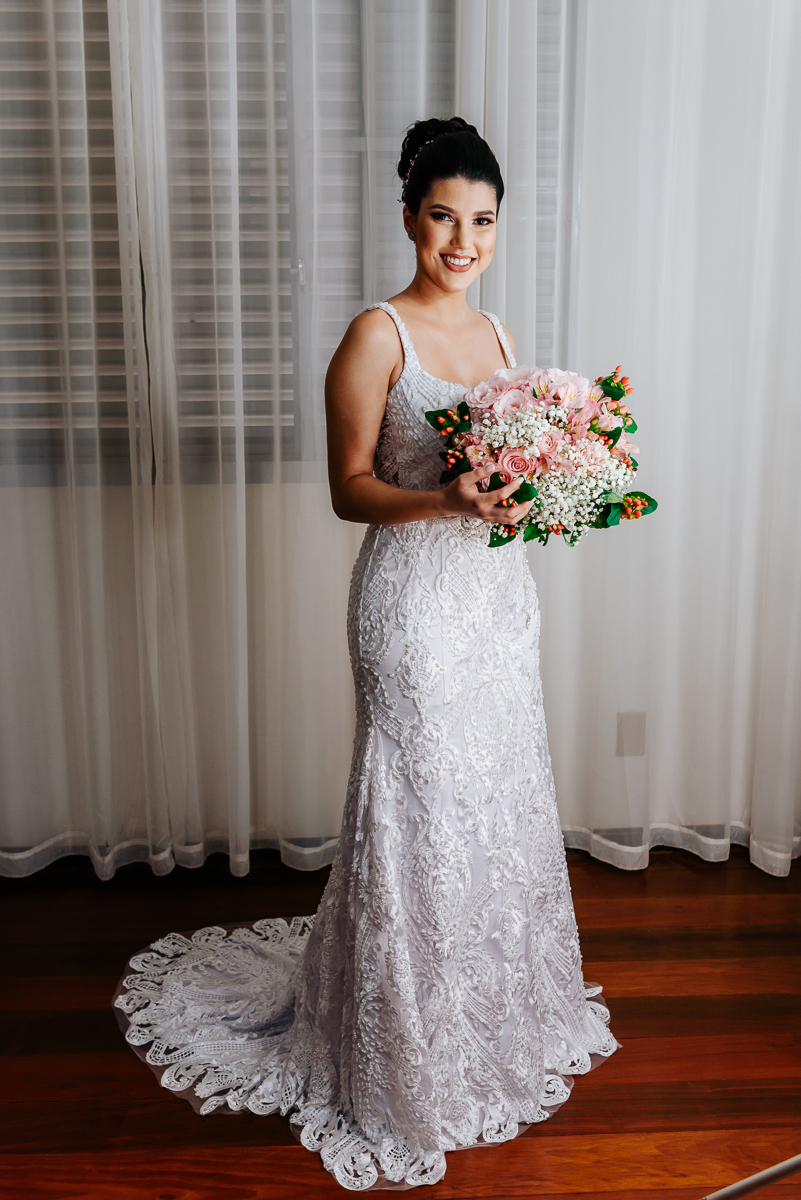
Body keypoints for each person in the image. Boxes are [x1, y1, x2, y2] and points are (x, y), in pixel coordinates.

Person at [114, 117, 618, 1192]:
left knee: (493, 797)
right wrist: (441, 497)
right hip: (413, 608)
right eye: (444, 216)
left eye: (481, 220)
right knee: (418, 808)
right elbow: (349, 488)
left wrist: (555, 494)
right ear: (409, 217)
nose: (463, 239)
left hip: (494, 603)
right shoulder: (376, 333)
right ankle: (396, 1054)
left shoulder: (501, 340)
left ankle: (485, 1020)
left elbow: (518, 480)